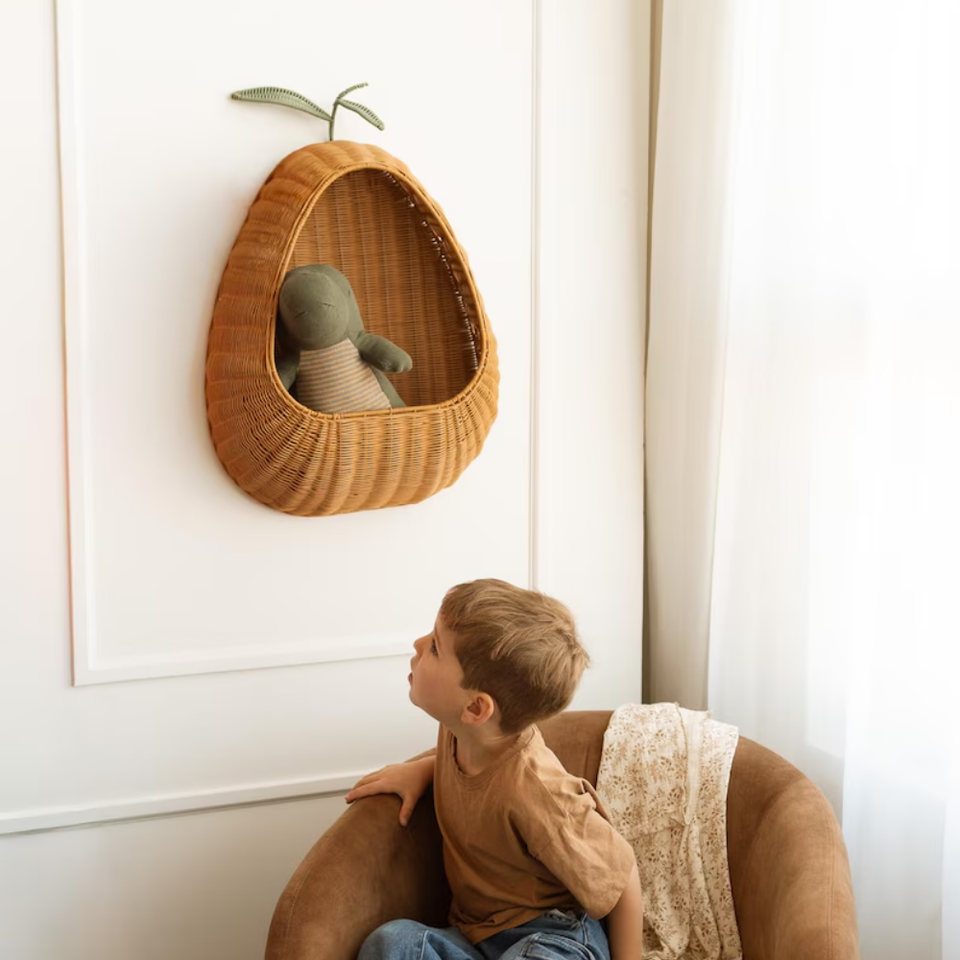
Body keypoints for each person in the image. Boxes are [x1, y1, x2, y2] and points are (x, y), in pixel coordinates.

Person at [345, 579, 643, 960]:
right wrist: (425, 770)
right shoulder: (458, 732)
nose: (418, 644)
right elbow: (482, 782)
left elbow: (622, 876)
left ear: (476, 708)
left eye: (435, 647)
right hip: (476, 938)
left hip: (554, 936)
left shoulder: (538, 790)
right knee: (390, 943)